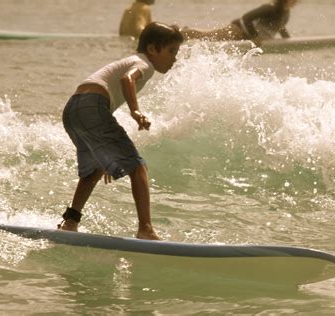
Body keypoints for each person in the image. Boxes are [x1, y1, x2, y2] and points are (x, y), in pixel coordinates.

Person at [59, 22, 183, 240]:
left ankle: (70, 222)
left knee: (93, 170)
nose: (174, 58)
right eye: (171, 51)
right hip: (92, 105)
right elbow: (128, 79)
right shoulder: (144, 63)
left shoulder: (132, 60)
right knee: (138, 167)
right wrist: (136, 111)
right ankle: (145, 229)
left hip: (73, 109)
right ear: (153, 49)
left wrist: (106, 154)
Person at [181, 0, 297, 45]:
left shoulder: (286, 12)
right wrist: (256, 38)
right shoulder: (270, 8)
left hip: (246, 37)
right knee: (206, 36)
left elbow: (280, 27)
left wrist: (289, 41)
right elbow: (246, 18)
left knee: (207, 36)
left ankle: (186, 31)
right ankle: (182, 32)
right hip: (238, 30)